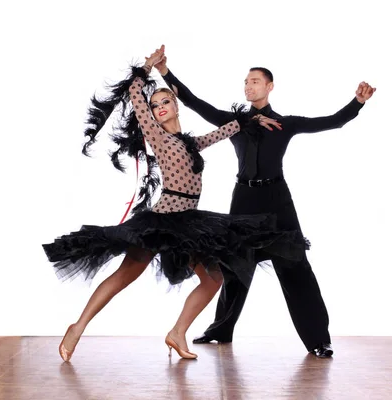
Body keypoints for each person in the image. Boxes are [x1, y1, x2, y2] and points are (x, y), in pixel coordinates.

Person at [42, 46, 306, 362]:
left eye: (166, 101)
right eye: (156, 105)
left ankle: (177, 332)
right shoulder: (157, 136)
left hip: (190, 223)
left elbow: (224, 132)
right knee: (125, 276)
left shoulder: (192, 143)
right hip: (163, 220)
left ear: (176, 105)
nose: (160, 107)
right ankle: (77, 327)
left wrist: (254, 120)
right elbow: (135, 95)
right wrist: (147, 67)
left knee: (213, 280)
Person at [155, 47, 376, 358]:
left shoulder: (286, 123)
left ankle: (318, 340)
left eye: (255, 81)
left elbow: (331, 121)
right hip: (243, 200)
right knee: (233, 268)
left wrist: (358, 103)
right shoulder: (235, 122)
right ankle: (220, 330)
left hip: (277, 202)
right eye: (246, 82)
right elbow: (192, 101)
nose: (248, 86)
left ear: (270, 86)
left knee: (295, 267)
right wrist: (165, 72)